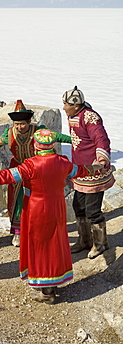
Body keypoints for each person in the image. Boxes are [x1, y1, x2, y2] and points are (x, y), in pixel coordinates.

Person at [0, 129, 103, 304]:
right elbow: (82, 171)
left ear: (36, 146)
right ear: (52, 145)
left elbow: (6, 176)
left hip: (35, 209)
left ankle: (45, 290)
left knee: (39, 245)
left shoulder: (30, 165)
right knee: (55, 243)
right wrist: (96, 167)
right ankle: (52, 284)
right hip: (57, 208)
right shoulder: (63, 163)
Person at [0, 99, 72, 247]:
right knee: (17, 201)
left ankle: (38, 231)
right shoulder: (10, 134)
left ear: (29, 122)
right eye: (16, 124)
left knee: (38, 201)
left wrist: (75, 141)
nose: (19, 127)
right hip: (18, 169)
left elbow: (57, 137)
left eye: (22, 124)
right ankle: (18, 233)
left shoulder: (39, 132)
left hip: (37, 169)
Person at [62, 86, 115, 259]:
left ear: (76, 105)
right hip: (81, 171)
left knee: (92, 210)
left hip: (94, 171)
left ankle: (101, 244)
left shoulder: (91, 117)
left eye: (66, 104)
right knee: (78, 206)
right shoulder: (73, 115)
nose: (63, 107)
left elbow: (101, 138)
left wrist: (101, 159)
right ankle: (84, 240)